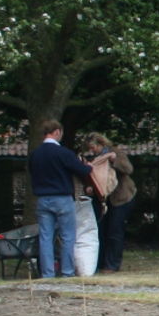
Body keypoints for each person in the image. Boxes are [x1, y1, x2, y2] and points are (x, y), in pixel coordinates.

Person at [27, 120, 92, 280]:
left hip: (42, 199)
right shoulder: (63, 153)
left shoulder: (35, 154)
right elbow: (82, 170)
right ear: (56, 132)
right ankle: (67, 272)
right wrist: (89, 166)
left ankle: (47, 273)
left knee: (45, 237)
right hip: (62, 198)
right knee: (68, 236)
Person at [85, 132, 134, 274]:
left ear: (101, 144)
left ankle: (112, 265)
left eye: (93, 147)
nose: (91, 150)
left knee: (114, 231)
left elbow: (128, 169)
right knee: (102, 230)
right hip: (102, 199)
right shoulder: (93, 158)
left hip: (120, 198)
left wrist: (114, 161)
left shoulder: (116, 153)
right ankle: (101, 263)